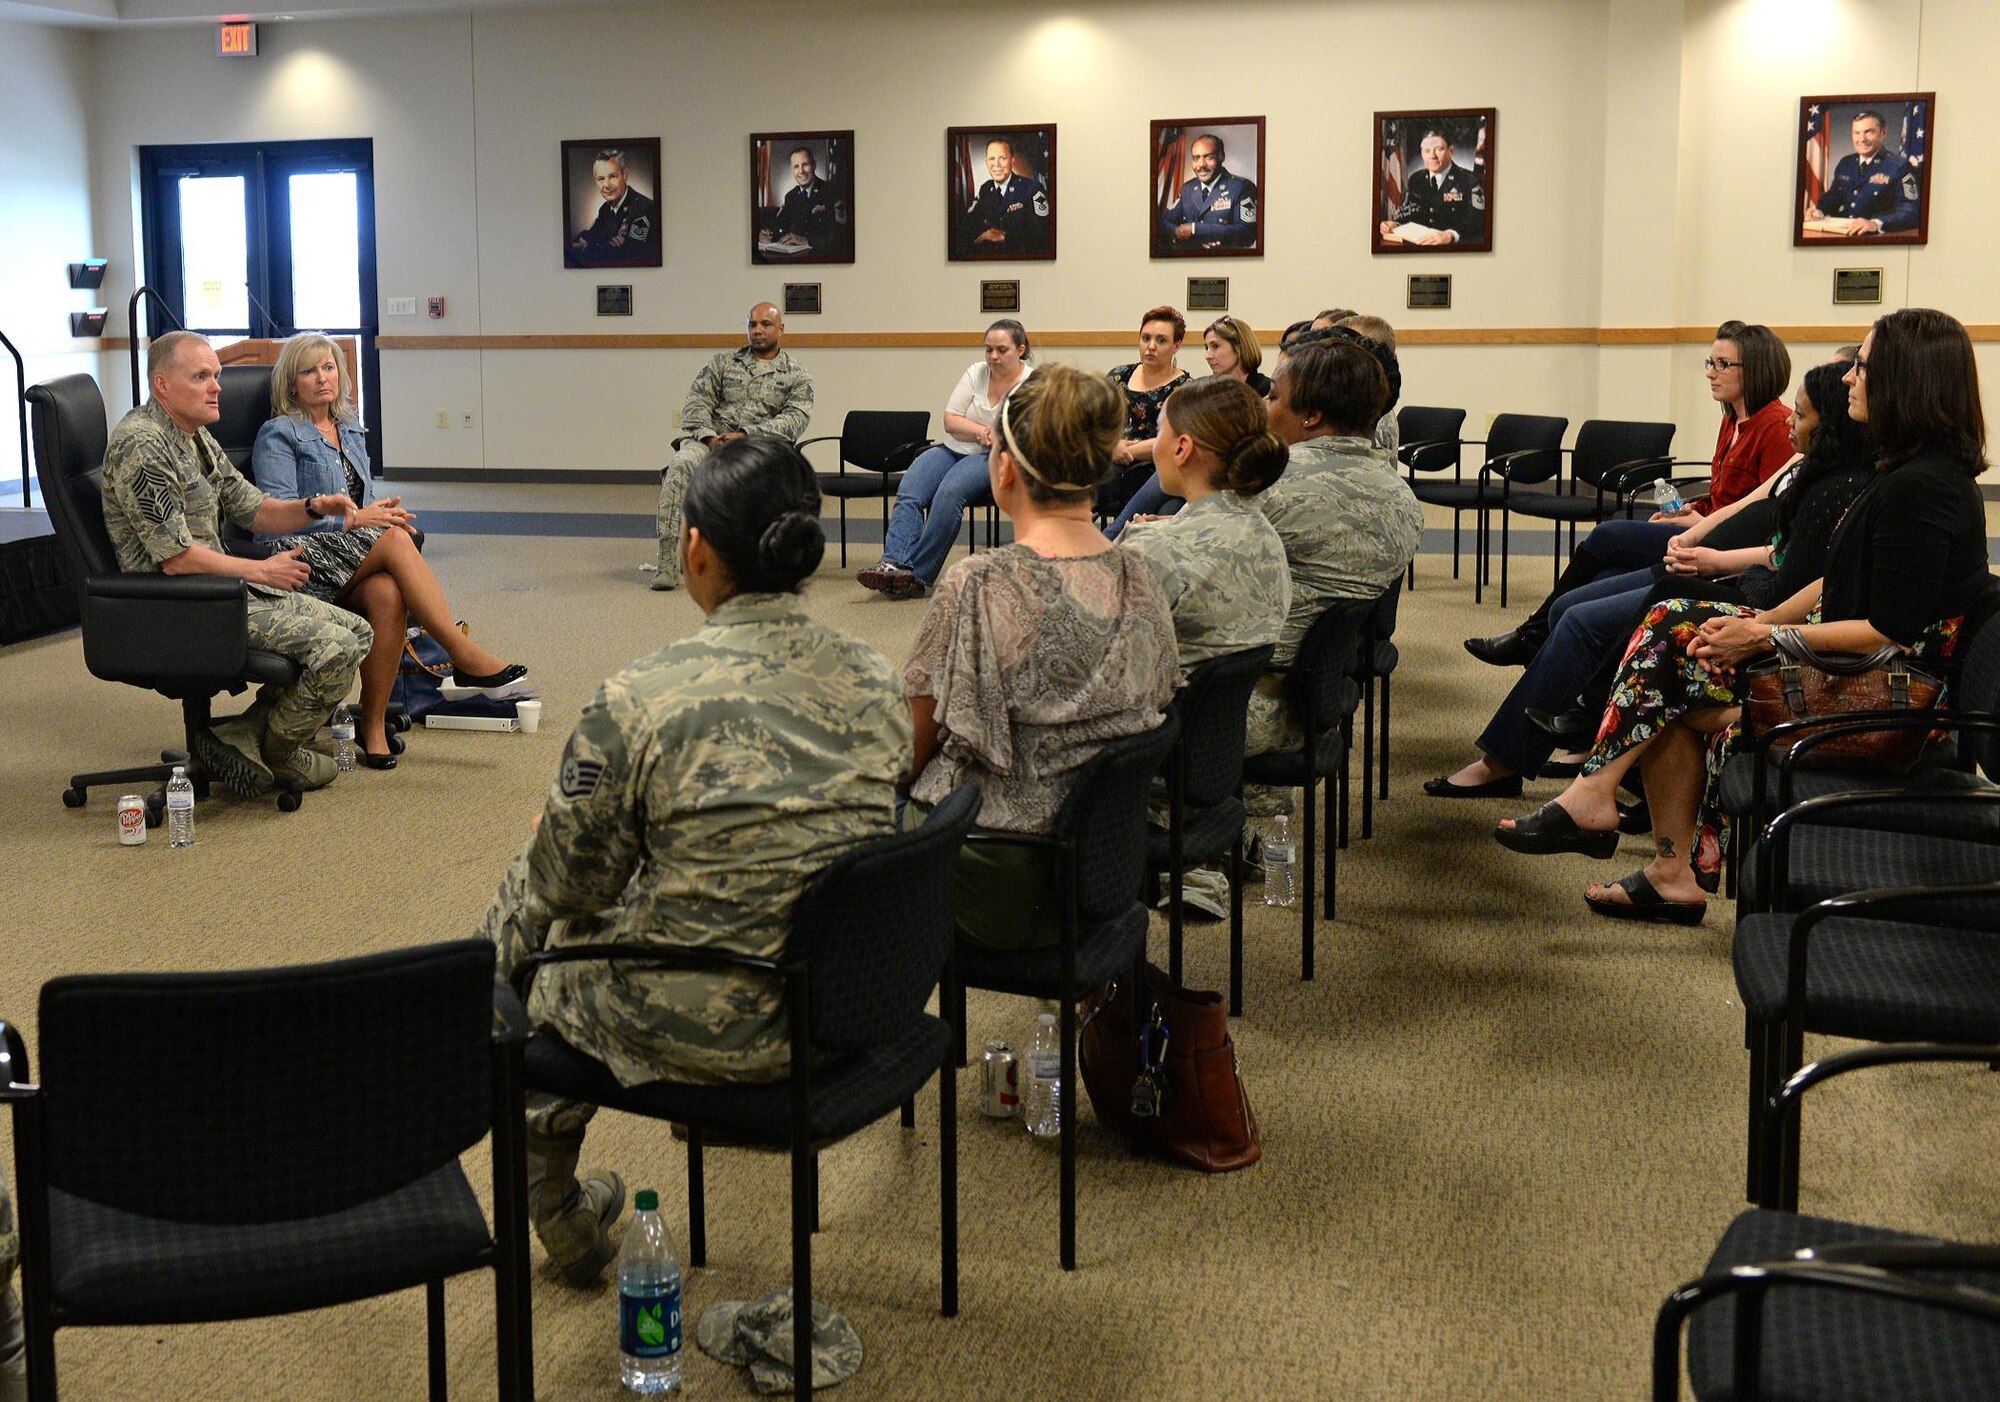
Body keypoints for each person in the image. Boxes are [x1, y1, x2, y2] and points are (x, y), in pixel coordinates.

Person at [479, 438, 911, 1283]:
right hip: (854, 1004)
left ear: (694, 547)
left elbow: (570, 887)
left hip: (725, 1024)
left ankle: (557, 1212)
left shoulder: (642, 696)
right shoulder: (874, 673)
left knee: (534, 938)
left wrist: (562, 833)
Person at [1496, 308, 1999, 921]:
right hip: (1854, 672)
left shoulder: (1925, 488)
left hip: (1890, 702)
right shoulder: (1900, 474)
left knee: (1673, 644)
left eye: (1863, 367)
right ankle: (1649, 850)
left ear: (1906, 382)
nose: (1848, 379)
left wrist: (1763, 639)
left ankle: (1608, 807)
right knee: (1679, 629)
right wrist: (1757, 629)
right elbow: (1829, 583)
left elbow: (1886, 629)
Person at [1426, 360, 1872, 798]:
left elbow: (1788, 569)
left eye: (1722, 362)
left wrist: (1717, 561)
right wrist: (1693, 530)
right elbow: (1750, 506)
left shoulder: (1805, 456)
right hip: (1717, 563)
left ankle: (1530, 747)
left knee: (1585, 619)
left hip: (1740, 589)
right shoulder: (1794, 454)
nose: (1710, 371)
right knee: (1587, 587)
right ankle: (1566, 701)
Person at [903, 364, 1178, 950]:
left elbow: (910, 751)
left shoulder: (977, 584)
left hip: (999, 867)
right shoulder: (1142, 572)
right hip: (1109, 856)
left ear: (1003, 469)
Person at [100, 330, 370, 796]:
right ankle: (281, 751)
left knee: (359, 632)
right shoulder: (141, 446)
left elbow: (254, 508)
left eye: (216, 376)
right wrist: (262, 571)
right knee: (336, 649)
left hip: (221, 591)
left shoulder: (194, 435)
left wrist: (312, 507)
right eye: (201, 376)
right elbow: (178, 559)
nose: (215, 387)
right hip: (181, 605)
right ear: (162, 385)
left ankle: (243, 735)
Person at [251, 333, 528, 768]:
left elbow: (359, 506)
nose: (322, 378)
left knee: (387, 592)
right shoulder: (279, 433)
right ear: (291, 385)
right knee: (396, 541)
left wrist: (374, 513)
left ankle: (374, 725)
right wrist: (359, 521)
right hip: (299, 557)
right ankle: (460, 652)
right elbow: (275, 517)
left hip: (345, 555)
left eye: (329, 368)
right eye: (309, 371)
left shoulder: (350, 428)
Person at [1465, 321, 1794, 667]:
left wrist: (1702, 521)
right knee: (1606, 573)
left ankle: (1531, 634)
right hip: (1698, 530)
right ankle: (1553, 648)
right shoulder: (1732, 418)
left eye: (1722, 364)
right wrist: (1688, 510)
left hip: (1720, 547)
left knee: (1610, 533)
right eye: (1709, 363)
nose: (1711, 373)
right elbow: (1721, 494)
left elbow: (1767, 514)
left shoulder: (1775, 426)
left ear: (1756, 369)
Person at [1247, 338, 1423, 759]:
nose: (1263, 406)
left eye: (1273, 396)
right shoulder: (1404, 502)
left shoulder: (1272, 484)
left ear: (1311, 416)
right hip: (1322, 699)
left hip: (1242, 709)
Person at [1120, 376, 1291, 670]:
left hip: (1164, 711)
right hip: (1233, 710)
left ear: (1181, 448)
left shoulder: (1154, 551)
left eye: (1160, 430)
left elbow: (1096, 653)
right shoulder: (1266, 533)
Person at [858, 319, 1034, 602]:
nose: (993, 357)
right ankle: (893, 564)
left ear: (1021, 350)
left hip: (994, 456)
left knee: (948, 494)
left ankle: (917, 576)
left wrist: (991, 437)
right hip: (955, 447)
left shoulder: (1031, 383)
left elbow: (1021, 434)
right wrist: (980, 432)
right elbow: (951, 420)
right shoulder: (975, 372)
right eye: (988, 349)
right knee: (911, 487)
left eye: (1001, 350)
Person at [653, 301, 814, 589]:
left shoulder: (796, 375)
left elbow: (795, 419)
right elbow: (696, 402)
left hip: (758, 448)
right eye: (752, 324)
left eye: (765, 324)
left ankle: (753, 562)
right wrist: (709, 436)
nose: (758, 331)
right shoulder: (722, 363)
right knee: (680, 465)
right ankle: (666, 562)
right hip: (711, 442)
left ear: (781, 329)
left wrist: (746, 434)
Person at [1107, 315, 1269, 533]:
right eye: (1206, 347)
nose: (1207, 356)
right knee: (1170, 505)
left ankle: (1112, 537)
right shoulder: (1212, 389)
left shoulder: (1263, 390)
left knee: (1171, 471)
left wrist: (1130, 450)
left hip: (1226, 475)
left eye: (1215, 346)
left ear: (1239, 349)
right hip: (1194, 476)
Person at [1100, 306, 1192, 519]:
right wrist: (1111, 446)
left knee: (1168, 507)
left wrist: (1128, 450)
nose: (1151, 347)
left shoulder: (1185, 388)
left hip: (1156, 471)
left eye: (1161, 340)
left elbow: (1175, 440)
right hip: (1108, 464)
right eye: (1145, 338)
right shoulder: (1118, 376)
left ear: (1176, 346)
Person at [1806, 110, 1921, 236]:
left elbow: (1911, 211)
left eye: (1868, 132)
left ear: (1883, 133)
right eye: (1857, 133)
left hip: (1876, 239)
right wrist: (1819, 210)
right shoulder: (1846, 163)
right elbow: (1834, 196)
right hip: (1842, 234)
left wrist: (1876, 224)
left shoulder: (1899, 166)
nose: (1861, 139)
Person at [1156, 132, 1259, 251]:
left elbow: (1247, 234)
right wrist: (1178, 233)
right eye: (1196, 158)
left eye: (1209, 157)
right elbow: (1163, 222)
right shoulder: (1188, 189)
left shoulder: (1242, 188)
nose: (1201, 165)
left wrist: (1195, 230)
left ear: (1221, 157)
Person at [1379, 130, 1485, 246]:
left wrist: (1451, 235)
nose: (1432, 156)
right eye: (1427, 151)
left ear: (1451, 151)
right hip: (1420, 247)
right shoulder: (1416, 179)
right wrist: (1396, 225)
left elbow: (1478, 221)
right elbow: (1412, 212)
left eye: (1439, 149)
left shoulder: (1470, 181)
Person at [958, 137, 1050, 256]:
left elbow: (1044, 234)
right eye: (992, 158)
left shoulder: (1032, 189)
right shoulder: (986, 189)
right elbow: (967, 225)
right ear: (986, 162)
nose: (996, 164)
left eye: (1003, 158)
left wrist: (1006, 237)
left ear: (1012, 161)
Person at [566, 148, 656, 268]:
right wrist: (592, 241)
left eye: (612, 176)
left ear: (625, 175)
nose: (606, 185)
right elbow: (588, 236)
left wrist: (592, 245)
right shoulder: (605, 209)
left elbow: (633, 255)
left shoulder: (643, 208)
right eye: (601, 179)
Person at [760, 146, 844, 252]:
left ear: (814, 165)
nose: (801, 171)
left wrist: (806, 241)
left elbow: (841, 235)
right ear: (792, 170)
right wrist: (768, 235)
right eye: (796, 166)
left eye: (805, 165)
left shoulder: (832, 192)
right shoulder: (791, 196)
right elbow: (781, 228)